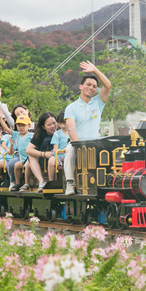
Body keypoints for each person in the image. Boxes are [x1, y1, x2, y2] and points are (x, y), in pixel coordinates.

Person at [64, 60, 112, 195]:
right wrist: (79, 146)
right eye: (88, 84)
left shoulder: (98, 102)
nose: (91, 87)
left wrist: (95, 70)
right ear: (81, 87)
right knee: (70, 152)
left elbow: (108, 85)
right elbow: (71, 130)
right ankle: (70, 183)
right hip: (77, 143)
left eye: (94, 86)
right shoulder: (71, 107)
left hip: (96, 142)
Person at [26, 112, 57, 192]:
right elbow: (28, 150)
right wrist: (43, 154)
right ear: (43, 127)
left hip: (56, 158)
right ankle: (41, 181)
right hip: (43, 159)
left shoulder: (60, 131)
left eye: (54, 123)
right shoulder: (39, 134)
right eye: (49, 125)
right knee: (31, 156)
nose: (53, 126)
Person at [7, 115, 33, 191]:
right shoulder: (17, 135)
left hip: (30, 158)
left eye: (23, 125)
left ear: (29, 126)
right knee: (16, 165)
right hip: (22, 159)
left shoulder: (31, 135)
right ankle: (17, 183)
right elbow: (7, 129)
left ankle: (26, 183)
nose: (21, 127)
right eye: (19, 125)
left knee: (28, 165)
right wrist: (0, 118)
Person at [49, 110, 70, 181]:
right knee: (51, 161)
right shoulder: (57, 134)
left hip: (70, 155)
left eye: (64, 123)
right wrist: (63, 151)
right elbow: (55, 150)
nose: (62, 126)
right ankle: (51, 180)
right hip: (59, 156)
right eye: (60, 123)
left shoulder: (73, 132)